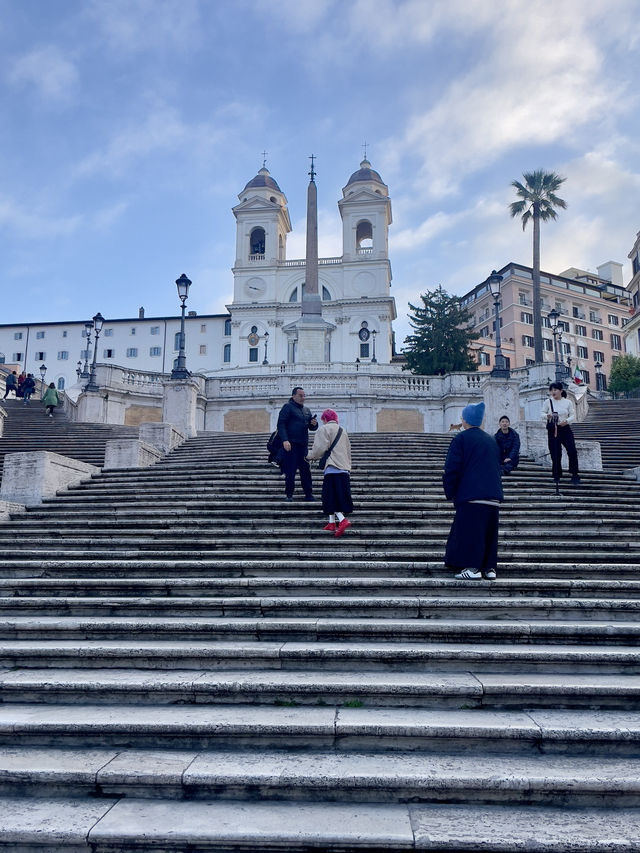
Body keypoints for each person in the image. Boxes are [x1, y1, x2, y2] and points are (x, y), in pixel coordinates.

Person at [443, 401, 503, 581]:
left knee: (471, 532)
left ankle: (473, 568)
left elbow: (451, 468)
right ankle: (489, 568)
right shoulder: (491, 439)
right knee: (489, 532)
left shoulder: (461, 439)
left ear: (465, 420)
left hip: (471, 494)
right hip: (492, 495)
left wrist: (451, 491)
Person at [307, 409, 353, 538]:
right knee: (335, 495)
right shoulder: (342, 430)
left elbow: (319, 449)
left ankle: (342, 520)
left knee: (330, 496)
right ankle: (331, 523)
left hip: (332, 468)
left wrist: (309, 455)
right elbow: (348, 450)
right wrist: (348, 467)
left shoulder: (324, 429)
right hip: (344, 468)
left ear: (324, 419)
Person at [276, 386, 318, 501]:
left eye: (304, 395)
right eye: (300, 395)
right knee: (290, 471)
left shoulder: (306, 410)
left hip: (303, 446)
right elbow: (281, 424)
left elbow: (311, 427)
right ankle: (289, 495)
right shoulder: (287, 407)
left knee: (306, 471)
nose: (303, 398)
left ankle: (308, 494)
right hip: (291, 445)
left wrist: (314, 424)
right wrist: (285, 440)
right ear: (293, 396)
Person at [542, 381, 580, 485]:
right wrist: (547, 416)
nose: (553, 392)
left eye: (555, 390)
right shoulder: (548, 402)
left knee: (572, 450)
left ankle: (574, 474)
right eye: (552, 390)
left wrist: (566, 421)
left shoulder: (567, 402)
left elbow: (573, 415)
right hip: (553, 429)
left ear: (560, 391)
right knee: (555, 452)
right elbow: (542, 413)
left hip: (565, 428)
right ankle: (557, 474)